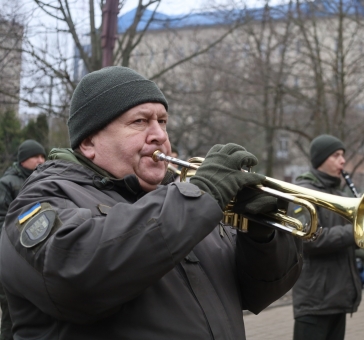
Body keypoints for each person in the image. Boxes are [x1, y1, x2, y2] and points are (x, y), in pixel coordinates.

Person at [0, 66, 302, 339]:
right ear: (89, 142)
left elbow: (258, 292)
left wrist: (262, 236)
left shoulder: (183, 200)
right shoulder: (43, 200)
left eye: (163, 121)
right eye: (140, 121)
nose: (159, 135)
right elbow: (76, 279)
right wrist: (200, 195)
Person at [292, 134, 362, 340]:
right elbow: (309, 239)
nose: (343, 160)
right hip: (315, 299)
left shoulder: (339, 193)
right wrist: (357, 232)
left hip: (338, 296)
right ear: (321, 159)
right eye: (336, 155)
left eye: (343, 155)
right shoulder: (303, 192)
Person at [0, 139, 46, 340]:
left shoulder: (44, 179)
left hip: (36, 255)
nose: (41, 160)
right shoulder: (7, 183)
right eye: (35, 156)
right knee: (11, 311)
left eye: (43, 156)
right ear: (23, 160)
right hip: (10, 255)